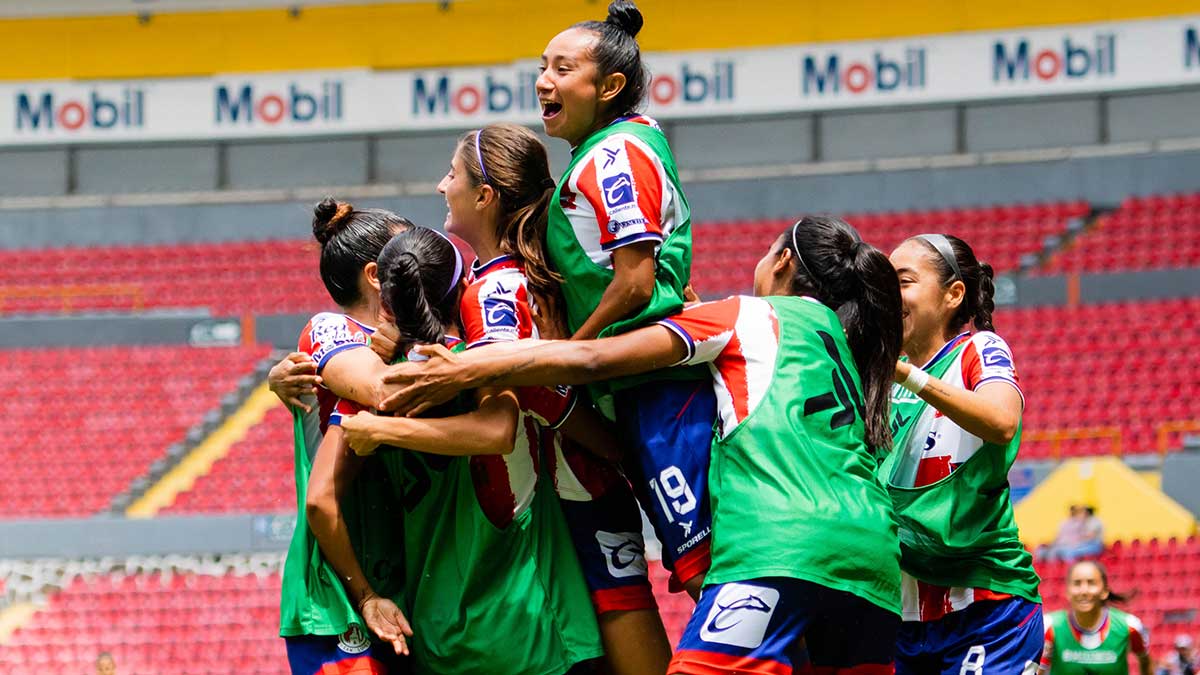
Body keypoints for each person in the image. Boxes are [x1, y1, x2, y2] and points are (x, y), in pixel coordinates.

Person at [370, 216, 906, 674]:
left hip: (781, 548)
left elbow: (597, 361)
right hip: (873, 561)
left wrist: (468, 364)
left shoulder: (746, 314)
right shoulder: (840, 344)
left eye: (767, 254)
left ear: (784, 262)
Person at [415, 122, 672, 673]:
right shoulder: (526, 273)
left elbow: (534, 388)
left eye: (452, 174)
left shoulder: (494, 290)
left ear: (484, 196)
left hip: (571, 488)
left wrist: (606, 446)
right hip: (589, 481)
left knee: (617, 606)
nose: (441, 185)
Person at [339, 226, 604, 675]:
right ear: (463, 288)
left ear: (389, 304)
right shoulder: (486, 369)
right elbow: (507, 429)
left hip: (440, 634)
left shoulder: (374, 383)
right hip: (530, 625)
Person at [533, 0, 718, 599]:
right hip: (638, 381)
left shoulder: (614, 155)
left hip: (656, 383)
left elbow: (636, 282)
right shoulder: (613, 147)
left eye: (563, 69)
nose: (543, 82)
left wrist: (570, 356)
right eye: (542, 68)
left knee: (706, 564)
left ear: (609, 86)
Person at [882, 234, 1044, 675]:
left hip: (988, 609)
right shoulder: (878, 379)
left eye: (903, 281)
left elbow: (1001, 420)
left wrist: (907, 376)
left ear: (953, 294)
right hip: (900, 616)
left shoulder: (978, 349)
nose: (887, 293)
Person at [276, 200, 414, 675]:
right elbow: (375, 389)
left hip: (395, 579)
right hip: (340, 596)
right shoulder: (333, 328)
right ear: (376, 276)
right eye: (406, 255)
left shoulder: (401, 342)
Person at [1040, 560, 1150, 675]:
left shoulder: (1129, 626)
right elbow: (1037, 670)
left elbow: (1145, 660)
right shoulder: (1049, 627)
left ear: (1105, 591)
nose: (1084, 591)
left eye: (1091, 583)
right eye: (1077, 583)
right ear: (1067, 591)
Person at [1040, 505, 1105, 563]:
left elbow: (1090, 536)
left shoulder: (1094, 521)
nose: (1081, 513)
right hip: (1083, 544)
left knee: (1069, 552)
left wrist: (1075, 542)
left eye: (1083, 511)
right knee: (1047, 551)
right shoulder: (1071, 522)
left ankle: (1069, 568)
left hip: (1093, 545)